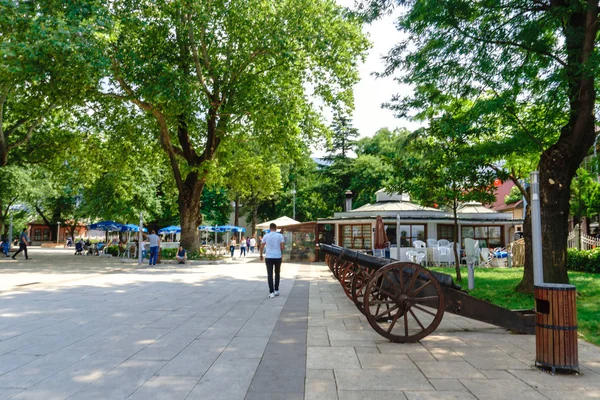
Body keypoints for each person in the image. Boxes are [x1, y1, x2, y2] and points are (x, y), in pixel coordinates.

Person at [260, 223, 285, 298]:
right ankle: (276, 290)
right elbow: (282, 247)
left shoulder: (266, 236)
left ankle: (271, 292)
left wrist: (261, 255)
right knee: (277, 273)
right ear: (276, 228)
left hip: (269, 257)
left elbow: (262, 246)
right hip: (277, 256)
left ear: (269, 228)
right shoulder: (280, 236)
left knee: (270, 274)